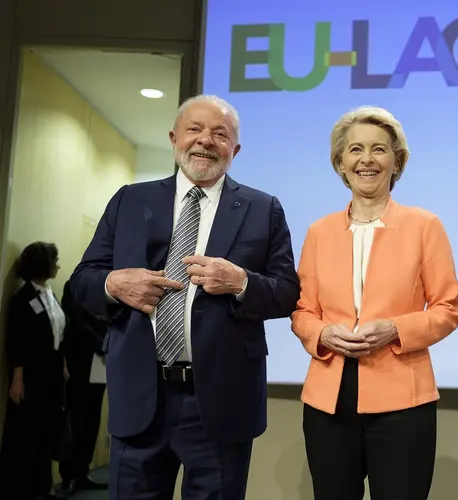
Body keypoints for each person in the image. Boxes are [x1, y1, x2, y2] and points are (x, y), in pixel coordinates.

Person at [69, 94, 300, 499]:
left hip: (221, 402)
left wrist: (242, 281)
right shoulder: (129, 200)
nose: (205, 140)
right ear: (175, 138)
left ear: (236, 149)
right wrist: (113, 285)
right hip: (140, 396)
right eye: (195, 129)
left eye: (220, 133)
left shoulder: (264, 209)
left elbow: (286, 293)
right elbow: (82, 282)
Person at [291, 105, 458, 500]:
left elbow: (447, 310)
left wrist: (395, 329)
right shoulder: (319, 231)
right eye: (355, 150)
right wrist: (322, 332)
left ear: (396, 161)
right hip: (327, 403)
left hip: (404, 401)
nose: (366, 160)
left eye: (379, 149)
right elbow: (302, 313)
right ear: (340, 162)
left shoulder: (425, 226)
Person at [0, 242, 68, 500]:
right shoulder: (23, 298)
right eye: (55, 260)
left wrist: (63, 363)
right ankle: (22, 489)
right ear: (42, 264)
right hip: (31, 375)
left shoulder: (50, 293)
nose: (58, 265)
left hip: (52, 374)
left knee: (48, 430)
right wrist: (17, 378)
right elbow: (17, 339)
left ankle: (45, 486)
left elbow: (58, 331)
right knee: (27, 431)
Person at [58, 279, 109, 494]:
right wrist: (101, 343)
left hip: (100, 361)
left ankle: (83, 470)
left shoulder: (109, 285)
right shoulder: (75, 285)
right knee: (76, 417)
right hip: (80, 359)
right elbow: (76, 320)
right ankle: (68, 474)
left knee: (92, 416)